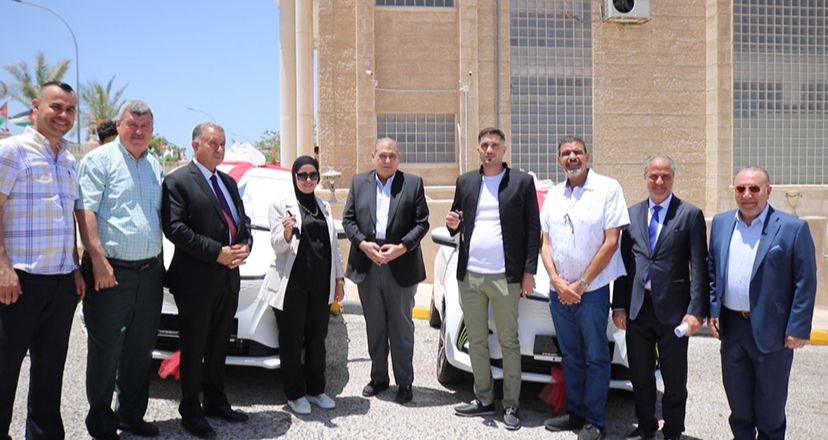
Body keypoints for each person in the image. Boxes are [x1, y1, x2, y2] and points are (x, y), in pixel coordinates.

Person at [0, 82, 85, 440]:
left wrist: (75, 268)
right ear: (36, 107)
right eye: (56, 107)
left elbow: (67, 220)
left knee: (50, 373)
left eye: (70, 110)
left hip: (61, 283)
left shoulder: (69, 160)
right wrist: (2, 267)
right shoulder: (11, 151)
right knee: (4, 371)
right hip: (18, 282)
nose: (63, 115)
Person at [76, 100, 165, 439]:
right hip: (111, 272)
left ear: (152, 130)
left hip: (149, 273)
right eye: (132, 125)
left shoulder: (154, 165)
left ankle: (130, 415)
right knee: (106, 350)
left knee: (140, 350)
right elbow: (86, 211)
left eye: (145, 126)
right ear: (119, 125)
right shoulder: (99, 160)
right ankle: (100, 423)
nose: (139, 131)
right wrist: (98, 261)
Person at [708, 166, 816, 440]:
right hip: (732, 330)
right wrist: (713, 309)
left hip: (774, 332)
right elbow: (713, 271)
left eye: (754, 188)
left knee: (770, 413)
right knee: (739, 409)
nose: (747, 194)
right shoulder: (721, 224)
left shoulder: (792, 228)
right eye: (741, 188)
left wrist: (798, 327)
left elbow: (805, 281)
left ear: (768, 191)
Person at [161, 123, 253, 439]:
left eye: (223, 143)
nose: (220, 149)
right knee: (194, 345)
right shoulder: (178, 181)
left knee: (218, 345)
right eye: (213, 143)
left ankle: (215, 401)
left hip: (228, 279)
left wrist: (246, 245)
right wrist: (217, 253)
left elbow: (242, 221)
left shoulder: (228, 182)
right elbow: (175, 228)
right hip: (195, 281)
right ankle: (190, 410)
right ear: (195, 145)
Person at [446, 127, 540, 431]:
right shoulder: (466, 182)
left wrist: (528, 272)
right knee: (476, 340)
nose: (489, 150)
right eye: (485, 145)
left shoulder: (521, 182)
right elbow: (456, 222)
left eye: (495, 145)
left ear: (504, 149)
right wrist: (451, 225)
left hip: (505, 277)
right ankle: (483, 398)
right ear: (478, 149)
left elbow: (533, 229)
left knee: (508, 341)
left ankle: (511, 404)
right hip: (470, 276)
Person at [611, 155, 708, 440]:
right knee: (640, 375)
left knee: (674, 377)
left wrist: (695, 310)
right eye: (654, 175)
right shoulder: (632, 215)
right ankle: (646, 426)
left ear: (673, 178)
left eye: (665, 176)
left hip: (675, 312)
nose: (659, 181)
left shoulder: (689, 215)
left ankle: (673, 430)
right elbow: (623, 267)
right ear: (646, 177)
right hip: (638, 309)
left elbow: (699, 267)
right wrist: (619, 305)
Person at [540, 136, 630, 440]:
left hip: (592, 292)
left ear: (587, 156)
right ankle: (576, 413)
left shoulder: (608, 188)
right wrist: (556, 280)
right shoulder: (554, 195)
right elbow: (546, 242)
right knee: (570, 355)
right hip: (559, 292)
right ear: (559, 160)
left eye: (577, 152)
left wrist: (581, 284)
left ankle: (595, 420)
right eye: (565, 153)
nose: (572, 157)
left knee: (595, 356)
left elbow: (612, 242)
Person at [342, 137, 429, 404]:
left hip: (400, 263)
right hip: (368, 263)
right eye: (382, 155)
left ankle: (405, 382)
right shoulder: (359, 183)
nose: (387, 160)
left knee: (401, 328)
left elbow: (422, 223)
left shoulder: (413, 184)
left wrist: (401, 248)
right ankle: (379, 378)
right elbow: (348, 220)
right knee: (375, 325)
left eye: (392, 155)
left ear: (399, 158)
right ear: (373, 157)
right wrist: (363, 244)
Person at [258, 155, 345, 414]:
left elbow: (334, 247)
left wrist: (339, 279)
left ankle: (316, 390)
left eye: (312, 175)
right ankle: (295, 394)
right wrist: (286, 233)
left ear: (318, 178)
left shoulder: (324, 206)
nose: (307, 180)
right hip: (292, 285)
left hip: (320, 285)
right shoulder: (281, 205)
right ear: (294, 177)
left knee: (318, 339)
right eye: (302, 175)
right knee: (291, 341)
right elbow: (276, 245)